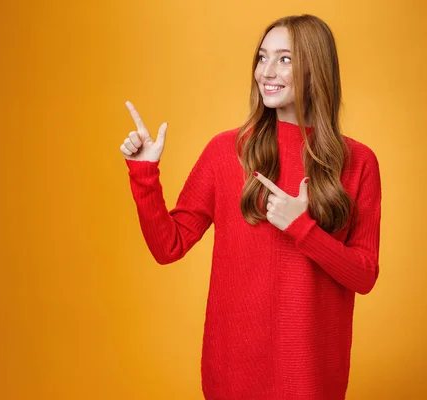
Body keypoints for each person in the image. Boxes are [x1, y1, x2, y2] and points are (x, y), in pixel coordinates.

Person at [120, 14, 381, 400]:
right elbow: (168, 246)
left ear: (317, 68)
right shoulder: (227, 152)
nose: (266, 72)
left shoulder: (358, 162)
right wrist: (144, 173)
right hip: (234, 374)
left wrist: (302, 229)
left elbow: (364, 276)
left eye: (285, 59)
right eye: (262, 58)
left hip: (312, 377)